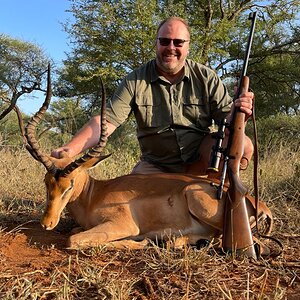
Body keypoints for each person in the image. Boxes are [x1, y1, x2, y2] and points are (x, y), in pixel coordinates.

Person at [51, 16, 254, 176]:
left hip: (199, 162)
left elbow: (228, 124)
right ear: (156, 44)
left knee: (243, 144)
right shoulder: (135, 80)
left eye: (178, 42)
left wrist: (239, 112)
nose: (171, 48)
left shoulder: (206, 77)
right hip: (156, 166)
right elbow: (106, 122)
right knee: (128, 207)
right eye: (165, 41)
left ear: (188, 46)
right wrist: (70, 150)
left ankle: (225, 196)